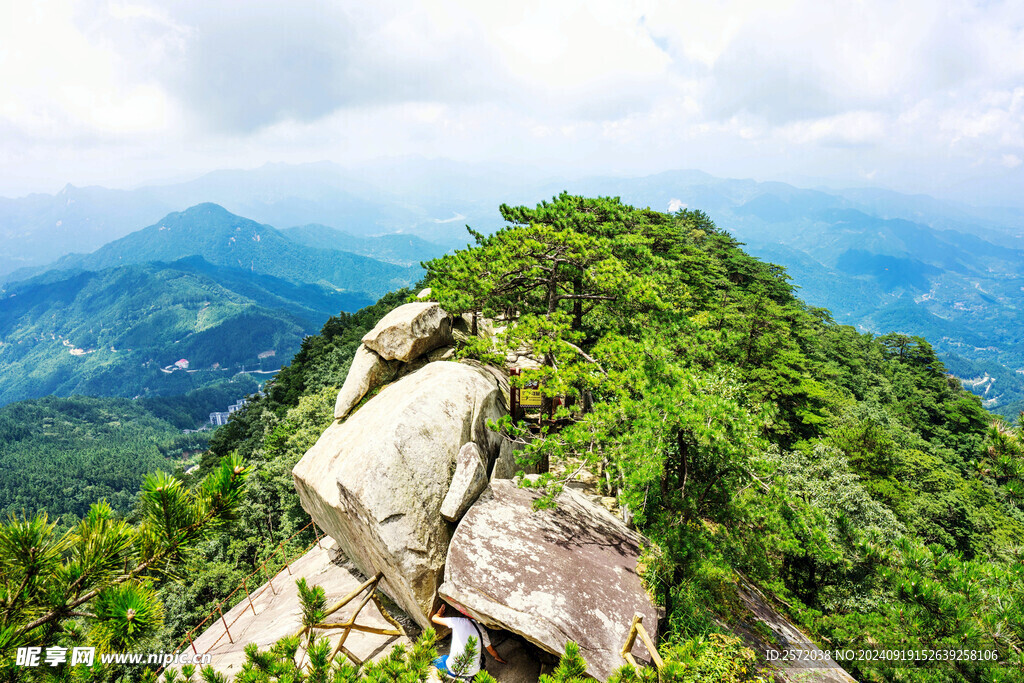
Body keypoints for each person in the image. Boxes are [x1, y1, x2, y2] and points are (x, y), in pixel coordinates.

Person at [430, 603, 506, 679]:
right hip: (472, 673)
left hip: (452, 670)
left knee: (440, 659)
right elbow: (491, 650)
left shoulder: (458, 622)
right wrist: (498, 657)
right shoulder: (481, 629)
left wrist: (440, 612)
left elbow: (434, 618)